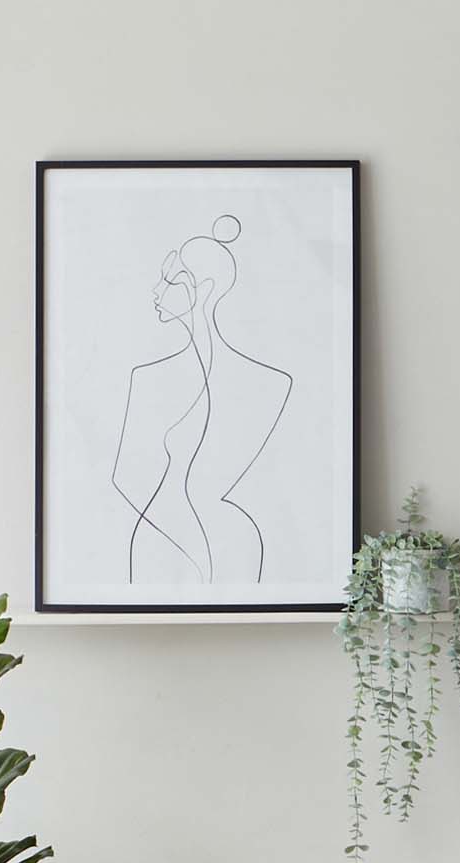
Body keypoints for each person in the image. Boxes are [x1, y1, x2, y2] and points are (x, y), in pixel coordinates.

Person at [111, 215, 293, 588]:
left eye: (172, 280)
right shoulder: (147, 379)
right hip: (163, 540)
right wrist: (194, 550)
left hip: (231, 542)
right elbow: (127, 476)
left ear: (205, 290)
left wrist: (209, 550)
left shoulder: (269, 382)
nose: (157, 291)